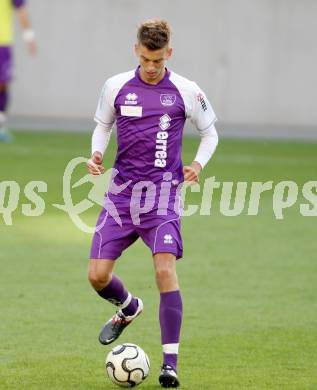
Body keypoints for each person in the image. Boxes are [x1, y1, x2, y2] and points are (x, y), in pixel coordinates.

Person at [87, 19, 218, 388]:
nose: (150, 67)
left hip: (162, 197)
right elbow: (102, 125)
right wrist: (97, 154)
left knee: (164, 271)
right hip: (121, 196)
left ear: (168, 55)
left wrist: (196, 164)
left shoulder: (186, 90)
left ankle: (170, 364)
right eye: (146, 59)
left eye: (157, 61)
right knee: (97, 276)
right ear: (136, 51)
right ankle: (129, 307)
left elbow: (210, 133)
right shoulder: (115, 86)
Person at [0, 0, 36, 142]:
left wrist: (29, 37)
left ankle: (1, 125)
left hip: (2, 43)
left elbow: (20, 8)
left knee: (2, 84)